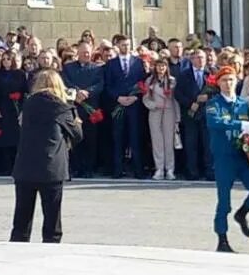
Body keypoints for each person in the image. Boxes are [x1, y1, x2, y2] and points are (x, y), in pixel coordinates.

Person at [10, 69, 83, 243]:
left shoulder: (28, 104)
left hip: (25, 166)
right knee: (52, 221)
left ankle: (16, 251)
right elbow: (77, 135)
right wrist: (76, 116)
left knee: (21, 220)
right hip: (51, 167)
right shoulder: (62, 107)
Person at [206, 66, 249, 253]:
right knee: (224, 200)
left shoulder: (241, 104)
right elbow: (214, 123)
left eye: (231, 80)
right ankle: (222, 238)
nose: (228, 84)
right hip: (224, 157)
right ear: (218, 83)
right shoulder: (213, 104)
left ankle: (242, 214)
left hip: (241, 155)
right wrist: (241, 124)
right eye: (224, 80)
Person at [104, 35, 147, 178]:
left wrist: (135, 96)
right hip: (118, 104)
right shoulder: (111, 64)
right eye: (123, 45)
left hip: (134, 105)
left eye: (128, 44)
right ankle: (117, 170)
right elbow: (108, 85)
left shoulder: (138, 62)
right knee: (118, 137)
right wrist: (118, 98)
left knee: (135, 137)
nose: (126, 47)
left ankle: (138, 170)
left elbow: (142, 82)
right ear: (118, 46)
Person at [61, 42, 104, 178]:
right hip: (74, 107)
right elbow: (65, 82)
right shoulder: (68, 68)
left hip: (91, 108)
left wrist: (87, 92)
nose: (86, 54)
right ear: (77, 53)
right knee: (75, 138)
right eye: (83, 52)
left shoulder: (97, 68)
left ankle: (89, 168)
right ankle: (77, 167)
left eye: (88, 52)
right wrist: (77, 92)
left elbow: (100, 84)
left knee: (91, 139)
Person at [175, 48, 215, 181]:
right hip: (190, 114)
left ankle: (209, 171)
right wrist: (189, 103)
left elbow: (218, 92)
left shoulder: (212, 74)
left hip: (207, 113)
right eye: (197, 57)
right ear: (191, 60)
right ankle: (192, 172)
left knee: (208, 144)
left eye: (203, 57)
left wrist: (208, 98)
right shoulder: (183, 75)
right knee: (191, 144)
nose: (201, 60)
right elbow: (178, 93)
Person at [143, 56, 180, 180]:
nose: (161, 68)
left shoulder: (172, 80)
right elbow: (145, 98)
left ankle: (170, 169)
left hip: (169, 111)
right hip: (155, 111)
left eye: (163, 66)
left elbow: (175, 99)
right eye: (159, 65)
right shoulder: (149, 81)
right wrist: (153, 105)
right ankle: (159, 168)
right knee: (157, 141)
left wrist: (177, 118)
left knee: (169, 141)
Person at [0, 50, 29, 176]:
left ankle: (16, 166)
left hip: (16, 108)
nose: (6, 61)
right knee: (3, 139)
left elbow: (25, 92)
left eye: (8, 59)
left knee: (16, 139)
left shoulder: (20, 74)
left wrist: (23, 110)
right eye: (3, 59)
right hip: (3, 108)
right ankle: (4, 166)